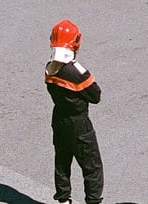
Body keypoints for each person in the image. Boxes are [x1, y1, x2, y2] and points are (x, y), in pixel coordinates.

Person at [45, 20, 104, 204]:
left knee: (62, 162)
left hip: (59, 120)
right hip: (79, 124)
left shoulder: (50, 68)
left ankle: (63, 200)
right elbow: (96, 95)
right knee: (92, 166)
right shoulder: (76, 72)